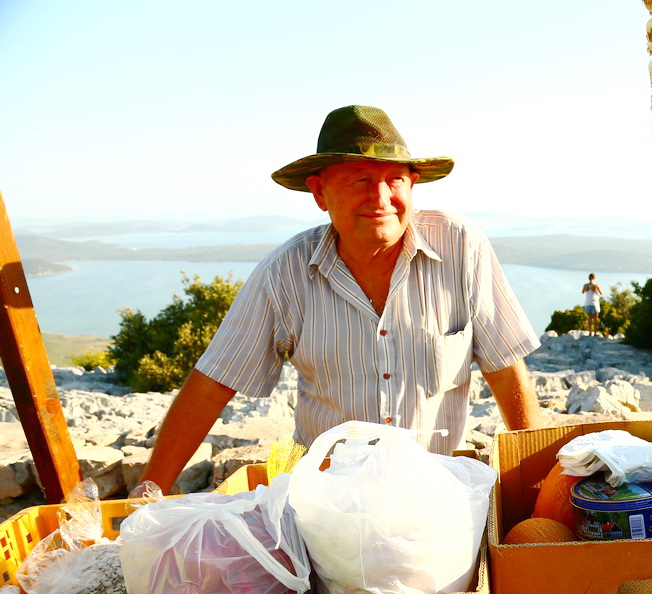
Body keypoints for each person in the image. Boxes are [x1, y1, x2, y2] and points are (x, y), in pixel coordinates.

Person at [142, 105, 543, 492]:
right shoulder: (284, 273)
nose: (381, 198)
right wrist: (147, 492)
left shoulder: (460, 246)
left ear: (413, 183)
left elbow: (506, 369)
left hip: (434, 496)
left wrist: (537, 488)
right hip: (326, 503)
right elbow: (213, 383)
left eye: (394, 180)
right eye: (360, 181)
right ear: (319, 192)